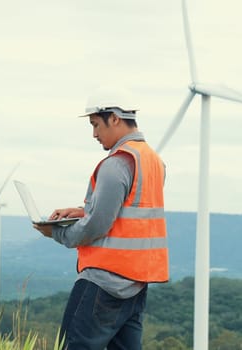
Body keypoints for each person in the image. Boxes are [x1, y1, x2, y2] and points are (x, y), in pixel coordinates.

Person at [33, 90, 169, 349]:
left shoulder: (116, 164)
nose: (94, 134)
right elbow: (130, 212)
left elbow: (97, 226)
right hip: (136, 286)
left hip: (104, 284)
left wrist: (56, 233)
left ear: (115, 118)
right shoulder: (154, 162)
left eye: (96, 124)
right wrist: (82, 210)